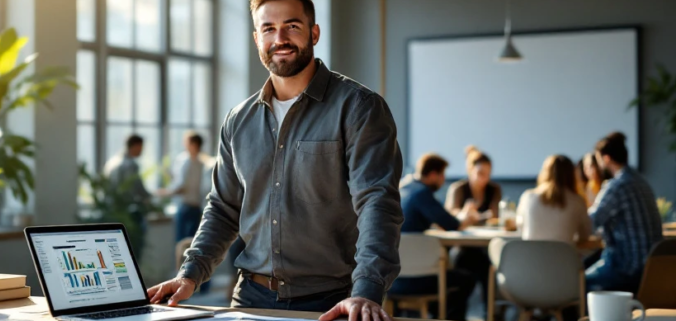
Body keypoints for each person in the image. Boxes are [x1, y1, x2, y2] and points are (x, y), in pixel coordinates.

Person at [148, 1, 403, 320]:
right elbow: (223, 207)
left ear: (314, 33)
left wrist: (366, 292)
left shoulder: (359, 108)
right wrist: (190, 274)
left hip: (334, 302)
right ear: (257, 38)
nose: (279, 38)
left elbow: (378, 204)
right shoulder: (238, 120)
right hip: (250, 299)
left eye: (292, 26)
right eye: (268, 28)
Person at [392, 153, 477, 321]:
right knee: (467, 278)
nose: (443, 180)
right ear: (433, 175)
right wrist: (469, 218)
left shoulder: (403, 187)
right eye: (442, 175)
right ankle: (443, 317)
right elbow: (452, 224)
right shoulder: (422, 194)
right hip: (418, 279)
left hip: (393, 279)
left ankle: (434, 314)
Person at [587, 132, 663, 293]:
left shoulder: (618, 185)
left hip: (628, 268)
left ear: (606, 158)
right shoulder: (640, 181)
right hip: (653, 268)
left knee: (577, 283)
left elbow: (591, 222)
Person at [157, 133, 215, 294]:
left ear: (193, 144)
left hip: (191, 207)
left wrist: (165, 193)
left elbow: (180, 186)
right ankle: (195, 283)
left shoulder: (196, 163)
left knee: (188, 246)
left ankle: (188, 282)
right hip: (195, 207)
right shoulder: (203, 162)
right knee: (197, 246)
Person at [444, 146, 499, 309]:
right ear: (469, 170)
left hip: (487, 246)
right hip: (462, 246)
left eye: (488, 174)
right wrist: (465, 214)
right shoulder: (458, 189)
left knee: (489, 263)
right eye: (480, 173)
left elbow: (495, 216)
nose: (484, 179)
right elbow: (449, 218)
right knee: (469, 262)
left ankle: (490, 312)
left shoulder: (494, 189)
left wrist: (472, 218)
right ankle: (458, 314)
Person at [517, 155, 592, 245]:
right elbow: (585, 234)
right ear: (572, 174)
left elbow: (521, 226)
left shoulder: (528, 197)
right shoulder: (577, 201)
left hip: (529, 257)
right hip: (564, 257)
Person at [103, 135, 152, 258]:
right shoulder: (130, 165)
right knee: (134, 250)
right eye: (141, 147)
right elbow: (137, 189)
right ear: (135, 146)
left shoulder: (112, 162)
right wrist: (150, 198)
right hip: (129, 214)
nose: (142, 151)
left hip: (112, 212)